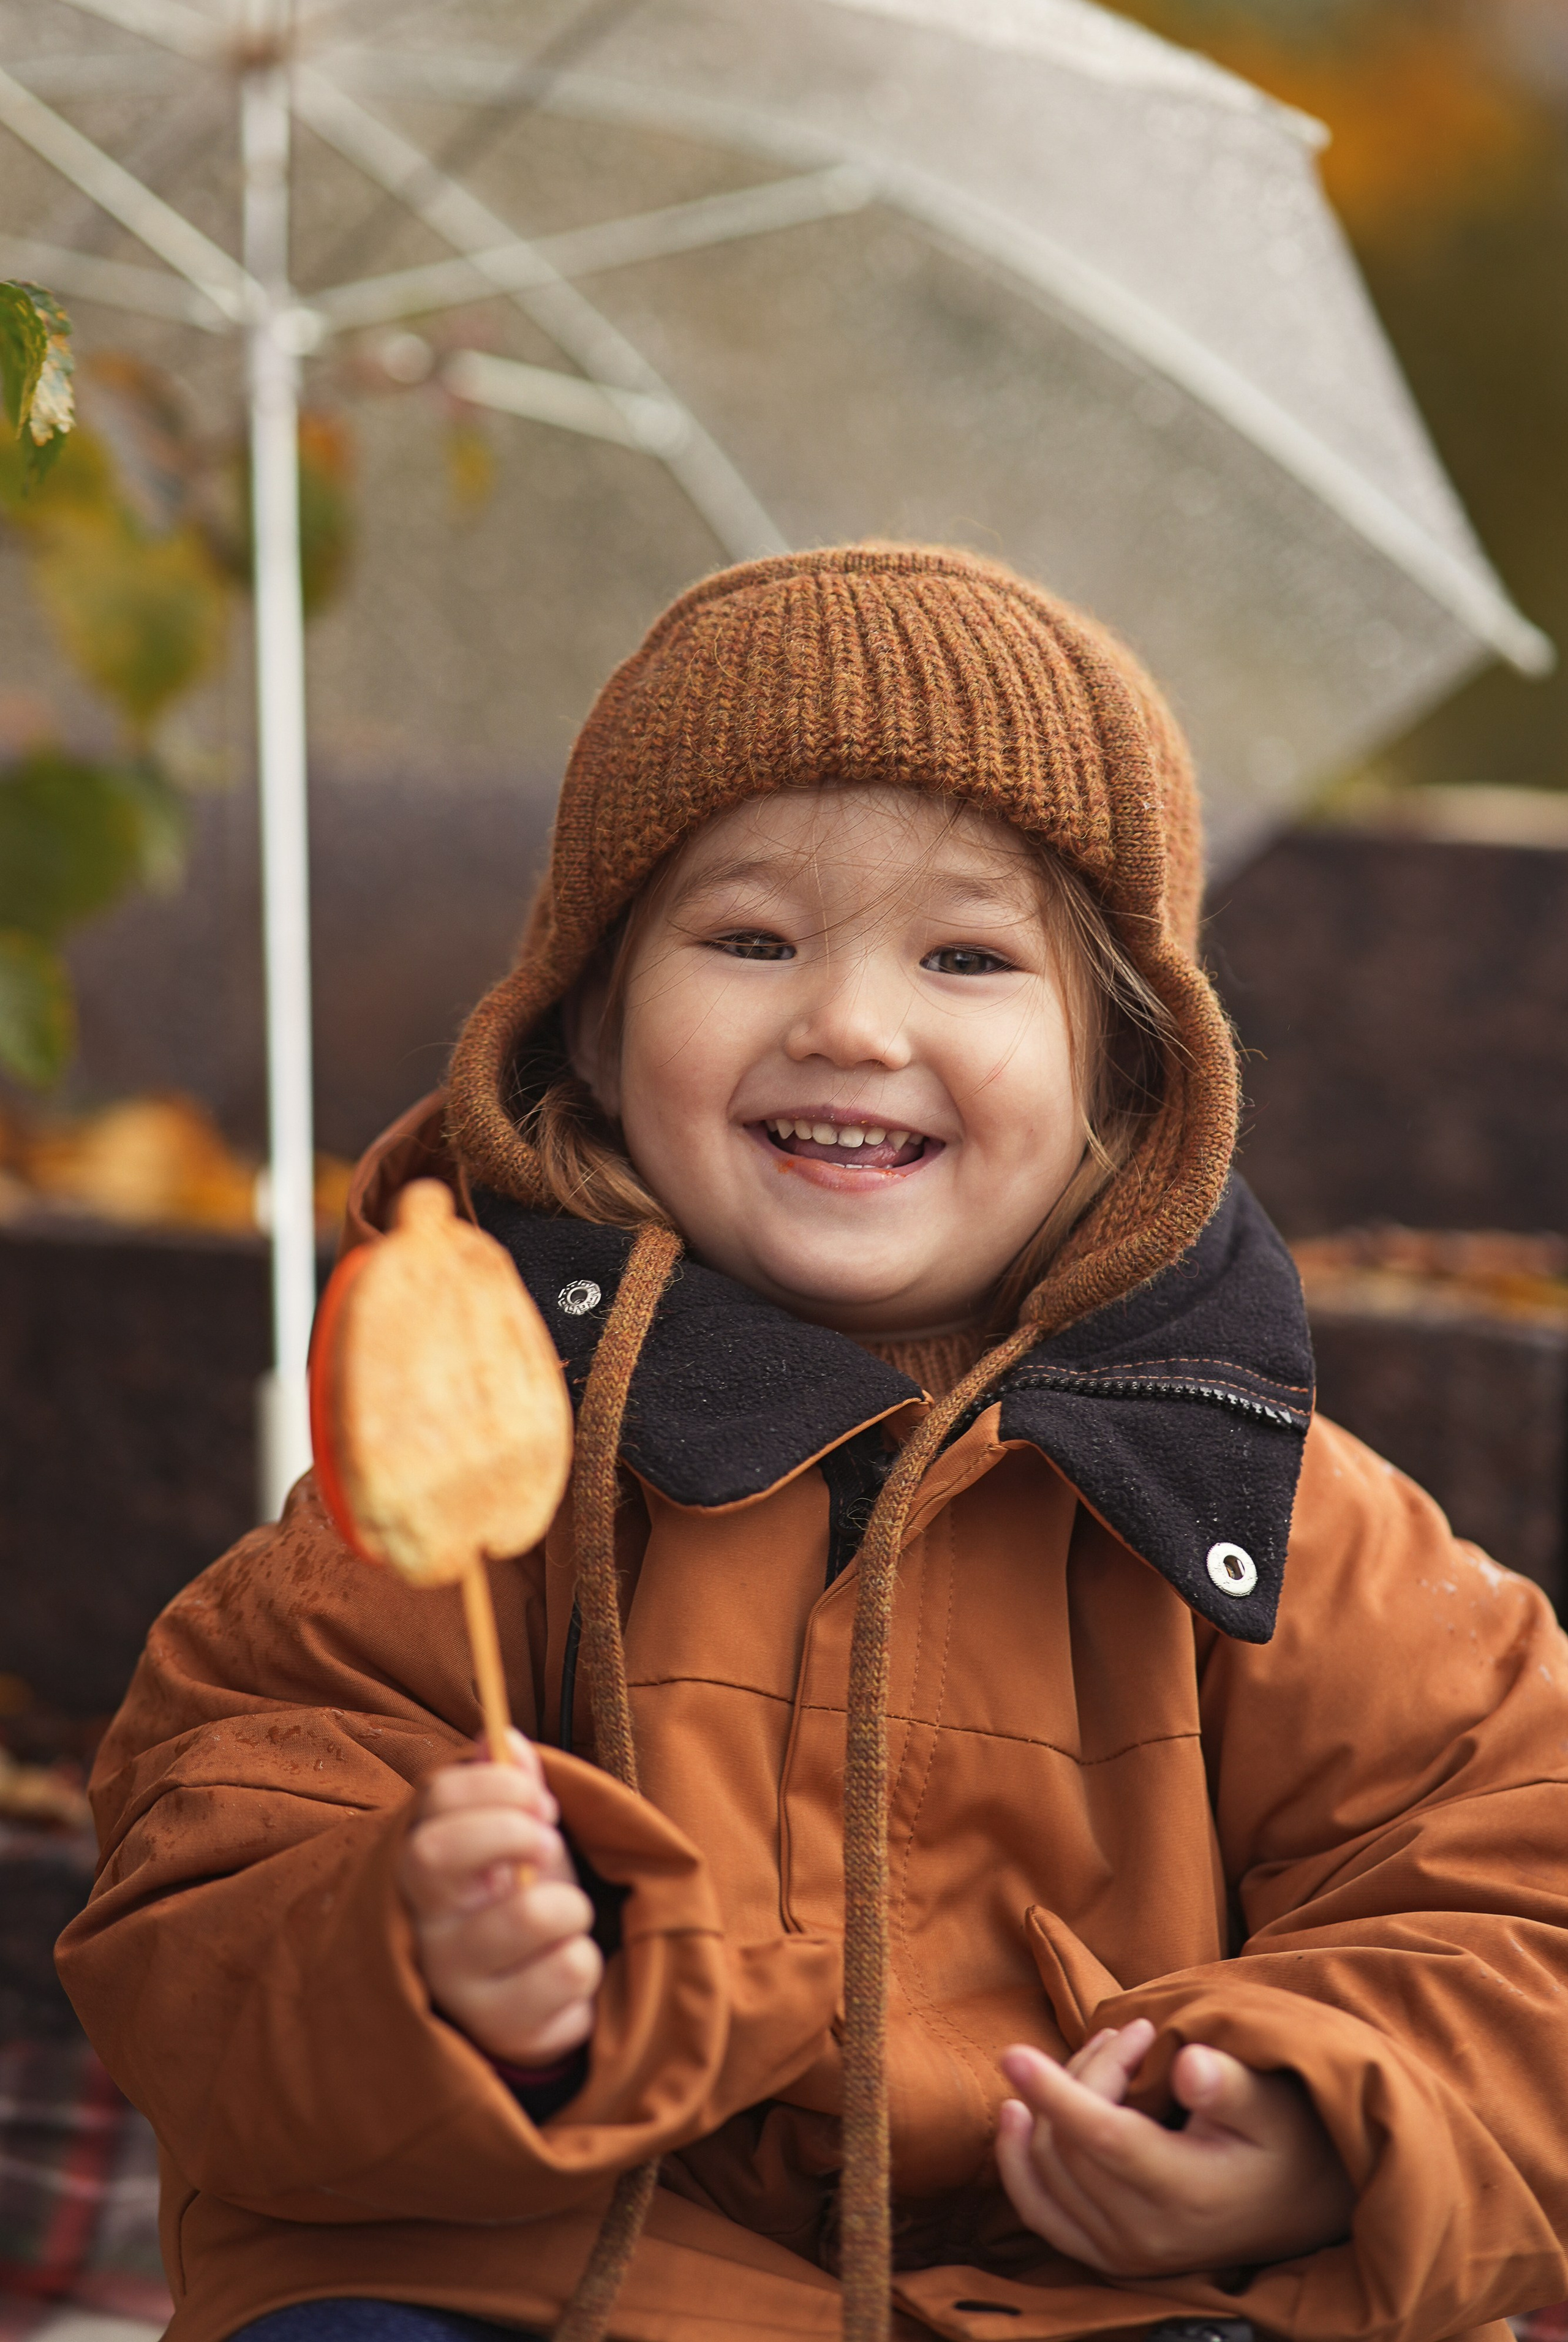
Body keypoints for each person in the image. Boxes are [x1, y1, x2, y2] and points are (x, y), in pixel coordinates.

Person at [58, 546, 1568, 2342]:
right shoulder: (476, 1460)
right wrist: (419, 1961)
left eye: (967, 955)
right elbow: (199, 1873)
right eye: (752, 939)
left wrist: (1315, 2127)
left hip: (1087, 2297)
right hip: (570, 2278)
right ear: (598, 1032)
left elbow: (1518, 1896)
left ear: (1125, 1070)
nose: (853, 1023)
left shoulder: (1270, 1511)